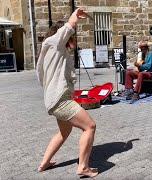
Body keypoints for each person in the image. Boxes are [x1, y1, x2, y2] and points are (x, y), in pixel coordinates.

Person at [36, 8, 98, 177]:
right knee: (90, 126)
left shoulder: (52, 52)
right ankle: (83, 167)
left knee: (64, 132)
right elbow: (63, 34)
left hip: (53, 100)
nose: (74, 38)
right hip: (60, 100)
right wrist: (74, 18)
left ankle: (44, 163)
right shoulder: (56, 45)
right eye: (72, 35)